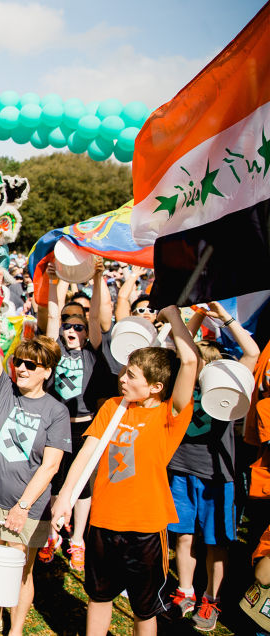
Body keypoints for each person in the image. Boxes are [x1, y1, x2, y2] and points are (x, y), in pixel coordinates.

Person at [51, 306, 198, 636]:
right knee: (99, 596)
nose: (122, 379)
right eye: (125, 372)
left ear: (156, 387)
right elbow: (87, 453)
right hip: (103, 522)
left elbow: (190, 362)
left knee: (144, 609)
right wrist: (65, 497)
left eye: (132, 375)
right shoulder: (111, 407)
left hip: (145, 529)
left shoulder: (170, 415)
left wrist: (173, 315)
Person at [0, 269, 70, 635]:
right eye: (20, 363)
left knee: (19, 569)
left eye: (31, 365)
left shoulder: (56, 412)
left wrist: (22, 507)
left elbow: (50, 467)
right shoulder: (3, 391)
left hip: (27, 507)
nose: (22, 368)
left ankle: (16, 629)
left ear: (47, 372)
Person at [164, 302, 257, 631]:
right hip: (180, 471)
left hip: (218, 477)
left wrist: (226, 318)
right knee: (184, 537)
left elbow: (252, 353)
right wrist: (199, 314)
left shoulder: (229, 389)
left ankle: (211, 598)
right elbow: (176, 345)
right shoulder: (181, 383)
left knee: (217, 543)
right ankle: (185, 592)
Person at [42, 259, 113, 569]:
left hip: (85, 427)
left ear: (86, 332)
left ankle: (78, 539)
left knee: (83, 484)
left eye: (78, 327)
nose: (71, 330)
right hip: (57, 427)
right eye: (67, 326)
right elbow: (53, 315)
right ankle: (52, 534)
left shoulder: (92, 351)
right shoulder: (54, 347)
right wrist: (54, 283)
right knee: (54, 480)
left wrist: (97, 277)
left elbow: (96, 315)